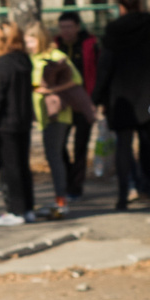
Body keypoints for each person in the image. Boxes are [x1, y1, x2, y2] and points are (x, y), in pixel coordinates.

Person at [95, 0, 150, 210]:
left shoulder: (113, 31)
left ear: (121, 8)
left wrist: (98, 95)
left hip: (121, 96)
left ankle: (122, 197)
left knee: (124, 147)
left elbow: (105, 66)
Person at [29, 24, 80, 222]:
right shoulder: (32, 58)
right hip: (42, 116)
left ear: (40, 39)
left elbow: (76, 79)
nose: (28, 45)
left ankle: (61, 201)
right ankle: (60, 198)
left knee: (54, 156)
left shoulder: (55, 55)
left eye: (31, 40)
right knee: (53, 156)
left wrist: (52, 90)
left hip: (57, 114)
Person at [0, 22, 34, 225]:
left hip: (7, 122)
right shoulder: (24, 60)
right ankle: (27, 208)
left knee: (9, 168)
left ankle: (16, 211)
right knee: (22, 165)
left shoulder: (3, 63)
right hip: (23, 120)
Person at [53, 11, 100, 198]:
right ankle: (69, 177)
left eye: (69, 26)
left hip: (84, 102)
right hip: (62, 104)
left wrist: (95, 100)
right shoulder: (55, 46)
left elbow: (96, 72)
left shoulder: (90, 44)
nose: (65, 31)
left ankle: (76, 186)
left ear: (78, 27)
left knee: (80, 146)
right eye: (62, 27)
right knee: (59, 144)